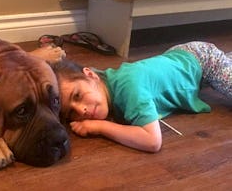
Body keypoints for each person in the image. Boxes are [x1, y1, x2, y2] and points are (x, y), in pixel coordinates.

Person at [49, 41, 231, 152]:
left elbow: (152, 141)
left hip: (202, 60)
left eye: (78, 95)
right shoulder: (101, 82)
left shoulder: (129, 89)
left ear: (90, 75)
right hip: (178, 57)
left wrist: (100, 126)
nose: (82, 110)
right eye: (71, 113)